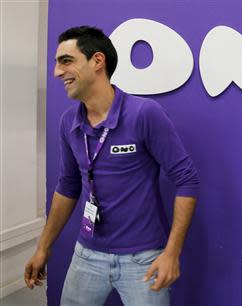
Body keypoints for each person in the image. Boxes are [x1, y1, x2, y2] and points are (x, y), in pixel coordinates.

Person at [24, 26, 199, 306]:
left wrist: (172, 252)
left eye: (66, 61)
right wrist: (43, 247)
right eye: (57, 63)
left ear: (97, 61)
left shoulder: (144, 114)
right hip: (87, 255)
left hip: (143, 260)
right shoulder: (69, 123)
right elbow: (68, 186)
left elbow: (186, 180)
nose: (57, 72)